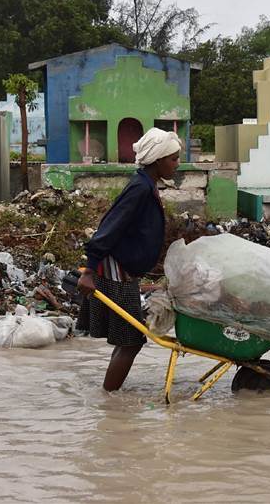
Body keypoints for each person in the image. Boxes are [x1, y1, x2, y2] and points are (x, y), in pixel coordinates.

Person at [76, 127, 181, 391]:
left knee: (128, 340)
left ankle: (109, 396)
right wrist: (89, 271)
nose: (177, 164)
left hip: (125, 270)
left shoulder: (146, 185)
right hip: (115, 271)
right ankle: (109, 403)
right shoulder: (139, 188)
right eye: (173, 159)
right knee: (132, 341)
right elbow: (109, 227)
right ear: (158, 160)